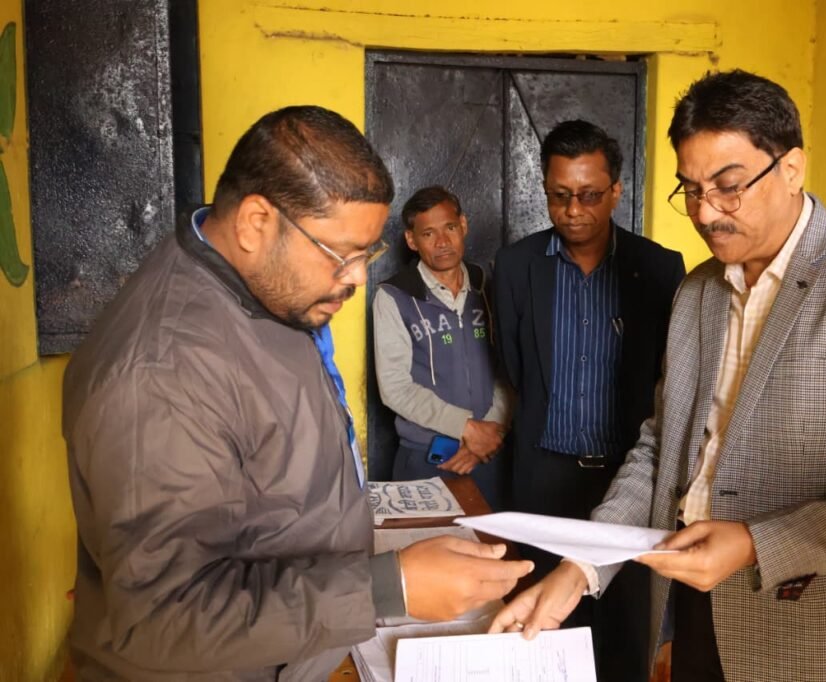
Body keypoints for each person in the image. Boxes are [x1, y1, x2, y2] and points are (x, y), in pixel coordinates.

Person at [491, 70, 826, 682]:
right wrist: (581, 568)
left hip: (815, 626)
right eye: (690, 189)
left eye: (729, 187)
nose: (705, 212)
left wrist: (755, 543)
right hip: (695, 607)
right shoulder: (699, 290)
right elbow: (660, 449)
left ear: (792, 168)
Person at [62, 106, 532, 682]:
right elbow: (163, 616)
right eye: (343, 254)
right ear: (256, 223)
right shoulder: (161, 370)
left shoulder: (266, 288)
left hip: (296, 647)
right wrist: (391, 587)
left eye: (367, 254)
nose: (358, 277)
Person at [492, 119, 684, 681]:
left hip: (629, 480)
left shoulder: (659, 268)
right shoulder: (517, 266)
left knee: (624, 637)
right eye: (559, 196)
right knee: (542, 637)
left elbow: (667, 378)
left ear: (616, 191)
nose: (573, 210)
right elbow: (514, 365)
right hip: (542, 481)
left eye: (589, 195)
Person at [373, 185, 511, 508]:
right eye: (428, 233)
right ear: (412, 240)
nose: (443, 242)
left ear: (463, 225)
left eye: (449, 227)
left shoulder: (488, 285)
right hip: (426, 458)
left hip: (490, 455)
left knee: (493, 541)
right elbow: (395, 387)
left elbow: (509, 368)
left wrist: (489, 432)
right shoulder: (394, 296)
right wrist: (466, 429)